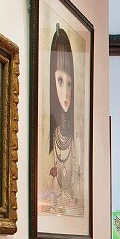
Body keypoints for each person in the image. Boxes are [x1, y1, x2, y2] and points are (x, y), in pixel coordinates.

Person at [46, 24, 82, 214]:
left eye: (70, 84)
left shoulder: (75, 136)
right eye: (60, 81)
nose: (66, 92)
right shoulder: (50, 135)